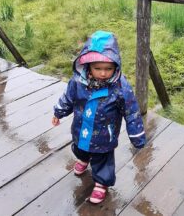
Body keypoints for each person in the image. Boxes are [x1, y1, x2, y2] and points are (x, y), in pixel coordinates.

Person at [52, 30, 146, 204]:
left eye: (108, 69)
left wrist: (136, 135)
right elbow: (68, 98)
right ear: (88, 66)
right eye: (98, 69)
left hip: (104, 133)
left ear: (116, 66)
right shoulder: (78, 82)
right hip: (82, 127)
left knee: (102, 158)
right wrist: (58, 112)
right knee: (80, 147)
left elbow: (131, 110)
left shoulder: (119, 87)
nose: (103, 73)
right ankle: (84, 158)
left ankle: (101, 183)